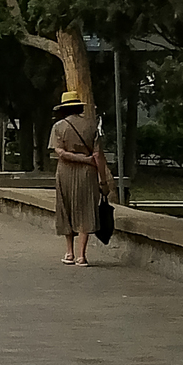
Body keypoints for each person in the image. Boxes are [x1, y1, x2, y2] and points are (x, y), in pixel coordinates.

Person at [48, 87, 112, 266]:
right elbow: (98, 156)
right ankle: (82, 256)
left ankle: (69, 252)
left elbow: (59, 152)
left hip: (65, 172)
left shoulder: (58, 127)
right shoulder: (92, 126)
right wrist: (103, 180)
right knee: (85, 210)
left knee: (66, 208)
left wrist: (76, 158)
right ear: (79, 107)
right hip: (87, 174)